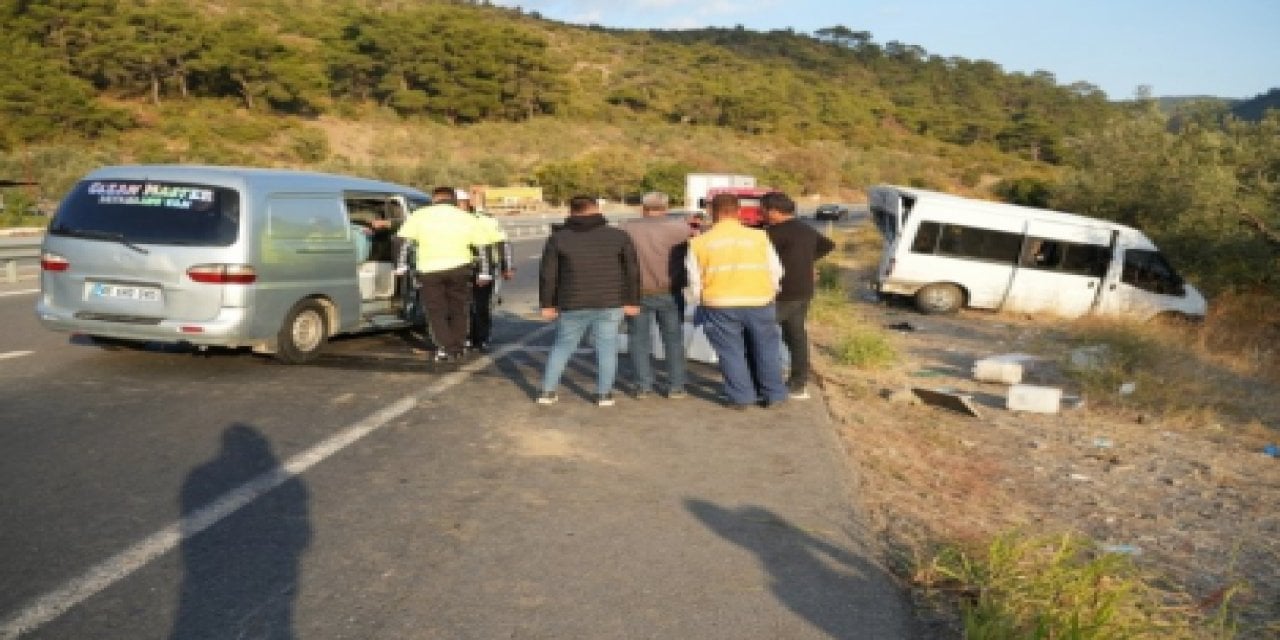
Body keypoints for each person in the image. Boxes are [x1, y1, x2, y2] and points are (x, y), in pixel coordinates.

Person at [686, 193, 787, 410]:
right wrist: (771, 292)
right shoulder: (759, 237)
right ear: (738, 211)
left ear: (712, 212)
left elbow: (694, 280)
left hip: (719, 304)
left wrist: (698, 301)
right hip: (759, 301)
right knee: (767, 349)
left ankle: (741, 398)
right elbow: (776, 270)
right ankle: (774, 394)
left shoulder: (698, 243)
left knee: (731, 352)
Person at [537, 196, 641, 407]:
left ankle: (547, 392)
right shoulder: (618, 236)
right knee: (607, 348)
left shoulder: (559, 238)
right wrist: (632, 300)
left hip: (572, 302)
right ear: (597, 208)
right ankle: (604, 395)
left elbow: (548, 275)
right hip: (610, 301)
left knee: (562, 347)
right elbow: (632, 272)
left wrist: (547, 304)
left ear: (571, 211)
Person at [396, 186, 490, 363]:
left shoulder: (419, 216)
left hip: (429, 270)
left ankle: (444, 347)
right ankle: (458, 346)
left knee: (436, 311)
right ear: (453, 199)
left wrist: (400, 266)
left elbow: (403, 242)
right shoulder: (467, 218)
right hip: (459, 268)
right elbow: (482, 247)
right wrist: (485, 273)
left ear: (434, 199)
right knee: (459, 308)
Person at [763, 192, 835, 399]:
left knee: (759, 331)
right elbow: (828, 245)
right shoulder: (805, 228)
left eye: (764, 210)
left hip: (783, 291)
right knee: (796, 336)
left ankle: (764, 380)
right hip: (803, 290)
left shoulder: (773, 233)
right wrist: (807, 261)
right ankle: (798, 383)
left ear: (774, 211)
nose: (763, 214)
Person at [622, 191, 690, 399]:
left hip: (637, 292)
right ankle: (676, 386)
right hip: (670, 291)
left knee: (638, 339)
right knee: (673, 340)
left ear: (643, 208)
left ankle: (643, 386)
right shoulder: (680, 228)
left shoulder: (627, 228)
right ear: (666, 208)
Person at [457, 189, 514, 352]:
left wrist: (506, 267)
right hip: (458, 267)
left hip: (483, 267)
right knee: (461, 305)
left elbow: (502, 243)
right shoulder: (450, 220)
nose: (458, 205)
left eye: (461, 202)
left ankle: (481, 337)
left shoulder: (485, 220)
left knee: (479, 305)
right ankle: (465, 337)